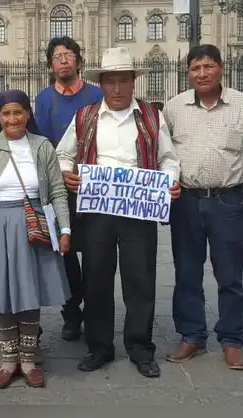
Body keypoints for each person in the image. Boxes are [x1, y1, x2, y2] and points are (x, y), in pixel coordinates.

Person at [56, 46, 181, 378]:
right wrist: (67, 173)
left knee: (140, 279)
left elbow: (168, 158)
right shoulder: (85, 117)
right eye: (111, 82)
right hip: (97, 209)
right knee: (96, 278)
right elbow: (63, 154)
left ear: (133, 82)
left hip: (139, 208)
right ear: (102, 84)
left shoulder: (152, 116)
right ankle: (99, 347)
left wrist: (169, 181)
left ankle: (140, 348)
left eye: (123, 81)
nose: (117, 88)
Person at [0, 89, 72, 389]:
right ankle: (9, 360)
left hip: (35, 227)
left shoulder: (42, 147)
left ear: (28, 114)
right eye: (6, 113)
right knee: (3, 295)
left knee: (29, 293)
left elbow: (57, 191)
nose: (12, 119)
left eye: (18, 112)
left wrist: (64, 229)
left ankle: (28, 360)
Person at [163, 44, 243, 371]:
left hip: (228, 201)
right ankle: (191, 335)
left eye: (208, 66)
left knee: (229, 274)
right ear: (188, 72)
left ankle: (232, 339)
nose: (202, 73)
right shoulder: (175, 107)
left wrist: (239, 186)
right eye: (195, 68)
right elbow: (165, 153)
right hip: (187, 201)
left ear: (221, 68)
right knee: (186, 273)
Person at [33, 36, 102, 341]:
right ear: (50, 64)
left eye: (68, 54)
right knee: (65, 252)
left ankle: (95, 311)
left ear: (78, 60)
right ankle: (71, 312)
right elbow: (42, 143)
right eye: (57, 56)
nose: (63, 60)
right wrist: (58, 175)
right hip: (59, 188)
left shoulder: (96, 94)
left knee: (96, 253)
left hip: (93, 187)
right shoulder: (43, 99)